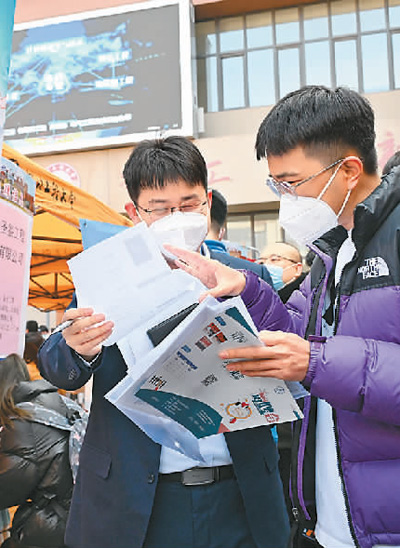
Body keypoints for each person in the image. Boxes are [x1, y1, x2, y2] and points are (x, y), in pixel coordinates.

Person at [164, 86, 400, 548]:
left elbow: (314, 356)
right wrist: (247, 288)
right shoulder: (333, 252)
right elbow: (301, 335)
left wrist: (316, 362)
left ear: (349, 170)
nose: (284, 198)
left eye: (291, 183)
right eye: (276, 185)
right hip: (337, 521)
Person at [38, 136, 289, 548]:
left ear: (207, 200)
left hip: (240, 492)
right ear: (135, 211)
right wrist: (78, 348)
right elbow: (55, 363)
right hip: (139, 498)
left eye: (188, 204)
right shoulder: (108, 276)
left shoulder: (244, 274)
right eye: (160, 208)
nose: (177, 216)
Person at [0, 354, 74, 548]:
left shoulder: (22, 422)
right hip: (77, 512)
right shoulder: (54, 402)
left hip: (52, 523)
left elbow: (7, 487)